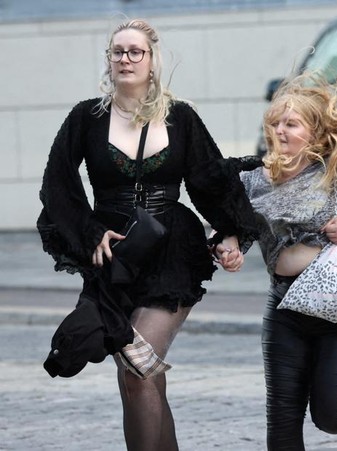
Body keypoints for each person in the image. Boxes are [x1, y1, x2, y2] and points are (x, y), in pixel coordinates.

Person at [37, 19, 259, 450]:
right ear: (108, 60)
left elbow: (208, 178)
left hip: (172, 249)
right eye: (117, 51)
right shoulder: (86, 116)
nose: (126, 59)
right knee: (141, 376)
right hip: (114, 255)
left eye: (135, 51)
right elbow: (57, 182)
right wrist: (89, 232)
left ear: (152, 60)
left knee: (137, 361)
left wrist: (230, 234)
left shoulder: (181, 117)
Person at [233, 72, 337, 450]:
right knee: (282, 421)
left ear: (314, 132)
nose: (280, 130)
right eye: (275, 123)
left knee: (332, 414)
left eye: (291, 124)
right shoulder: (253, 179)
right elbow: (238, 226)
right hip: (285, 306)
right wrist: (229, 246)